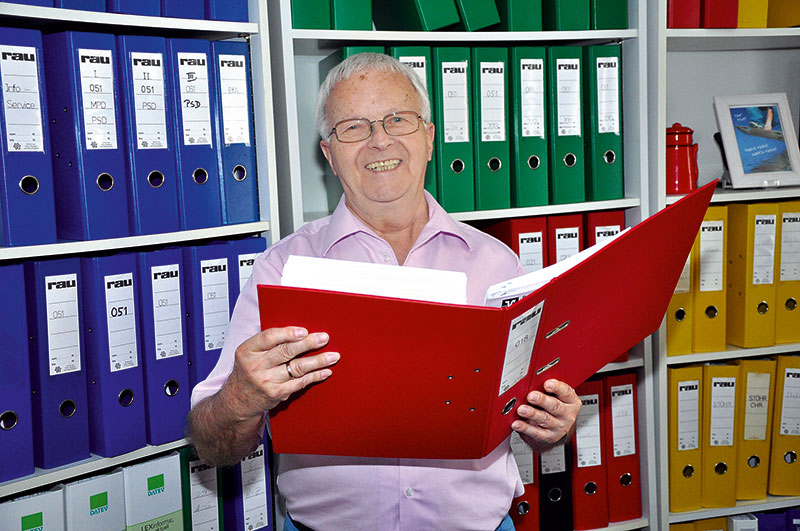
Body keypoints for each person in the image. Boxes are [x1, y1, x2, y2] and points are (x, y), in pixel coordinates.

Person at [187, 52, 581, 531]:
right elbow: (211, 445)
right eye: (353, 127)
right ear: (329, 155)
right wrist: (241, 397)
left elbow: (528, 420)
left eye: (398, 119)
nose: (379, 140)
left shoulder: (499, 264)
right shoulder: (285, 268)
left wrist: (552, 426)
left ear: (430, 138)